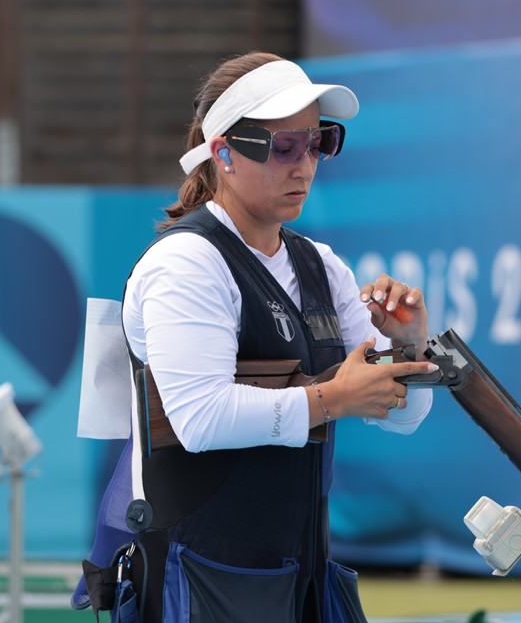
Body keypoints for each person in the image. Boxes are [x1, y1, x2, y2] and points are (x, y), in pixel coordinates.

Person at [118, 51, 439, 622]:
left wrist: (408, 346)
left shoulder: (321, 264)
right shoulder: (187, 261)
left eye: (318, 142)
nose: (305, 165)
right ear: (224, 154)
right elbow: (201, 419)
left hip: (303, 578)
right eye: (283, 147)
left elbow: (404, 416)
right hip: (197, 584)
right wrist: (333, 398)